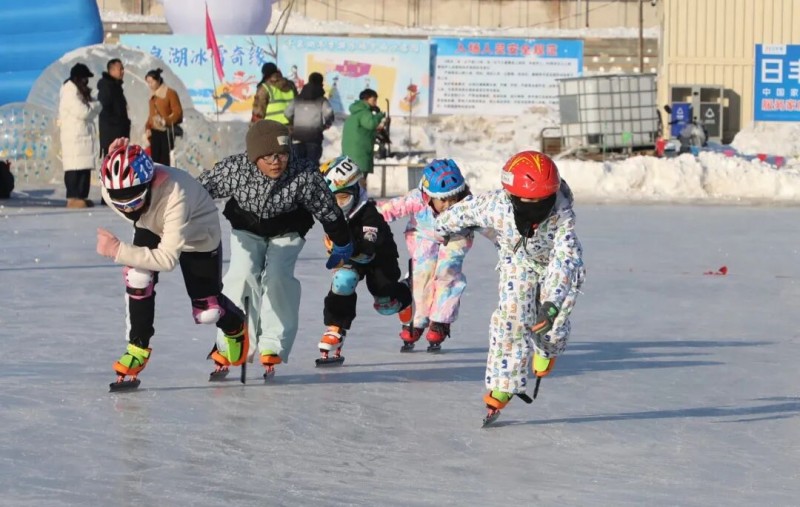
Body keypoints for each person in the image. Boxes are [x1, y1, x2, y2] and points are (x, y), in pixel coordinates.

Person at [434, 150, 586, 424]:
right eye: (526, 200)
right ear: (512, 196)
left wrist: (551, 305)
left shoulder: (562, 220)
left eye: (540, 201)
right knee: (510, 320)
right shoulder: (498, 205)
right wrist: (441, 227)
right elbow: (466, 210)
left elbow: (566, 261)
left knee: (551, 326)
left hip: (553, 266)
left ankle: (547, 349)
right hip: (518, 262)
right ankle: (504, 384)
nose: (532, 206)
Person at [197, 120, 352, 378]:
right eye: (267, 156)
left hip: (288, 230)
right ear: (254, 155)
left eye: (281, 154)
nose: (275, 162)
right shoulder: (235, 169)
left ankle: (273, 342)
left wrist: (342, 241)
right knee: (242, 274)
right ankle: (230, 340)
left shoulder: (303, 174)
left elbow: (327, 209)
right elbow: (198, 191)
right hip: (247, 227)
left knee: (278, 277)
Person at [95, 138, 249, 387]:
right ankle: (137, 346)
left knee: (207, 311)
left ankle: (235, 325)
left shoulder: (175, 193)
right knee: (137, 276)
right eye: (119, 203)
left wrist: (117, 250)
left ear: (149, 185)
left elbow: (167, 260)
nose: (128, 210)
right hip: (153, 225)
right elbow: (125, 192)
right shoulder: (111, 188)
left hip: (197, 234)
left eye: (133, 202)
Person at [317, 155, 412, 364]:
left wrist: (342, 248)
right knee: (343, 280)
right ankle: (335, 327)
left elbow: (368, 249)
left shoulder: (369, 215)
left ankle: (406, 293)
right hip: (352, 255)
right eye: (330, 199)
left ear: (354, 191)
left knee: (385, 303)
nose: (336, 205)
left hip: (380, 258)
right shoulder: (331, 214)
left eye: (342, 198)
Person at [376, 158, 477, 352]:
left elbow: (492, 220)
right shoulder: (417, 199)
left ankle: (440, 320)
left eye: (453, 198)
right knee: (422, 276)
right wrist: (368, 218)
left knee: (447, 272)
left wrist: (507, 241)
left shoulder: (468, 206)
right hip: (423, 235)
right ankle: (417, 320)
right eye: (444, 200)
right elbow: (391, 208)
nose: (449, 205)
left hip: (456, 237)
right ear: (429, 196)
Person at [58, 62, 100, 209]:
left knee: (84, 168)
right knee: (74, 168)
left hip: (83, 136)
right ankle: (73, 197)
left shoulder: (79, 91)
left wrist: (93, 107)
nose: (86, 81)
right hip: (74, 137)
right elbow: (84, 112)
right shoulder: (69, 92)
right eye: (84, 78)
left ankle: (82, 196)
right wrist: (94, 107)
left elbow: (94, 106)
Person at [284, 72, 334, 166]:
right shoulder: (321, 100)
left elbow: (287, 113)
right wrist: (326, 125)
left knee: (297, 165)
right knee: (312, 166)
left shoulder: (297, 99)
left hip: (297, 136)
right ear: (321, 83)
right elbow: (329, 114)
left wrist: (294, 121)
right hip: (314, 137)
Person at [341, 88, 386, 188]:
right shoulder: (364, 113)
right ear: (366, 99)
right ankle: (360, 202)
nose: (375, 103)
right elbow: (371, 124)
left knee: (351, 183)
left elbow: (365, 130)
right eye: (373, 100)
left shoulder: (355, 114)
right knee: (360, 183)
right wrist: (379, 116)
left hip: (350, 154)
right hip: (360, 154)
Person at [144, 68, 183, 166]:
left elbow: (178, 113)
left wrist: (165, 121)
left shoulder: (170, 93)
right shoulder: (153, 96)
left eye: (151, 82)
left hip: (166, 132)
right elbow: (151, 115)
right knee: (155, 161)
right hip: (155, 132)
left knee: (165, 161)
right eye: (148, 82)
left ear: (158, 80)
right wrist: (148, 127)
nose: (150, 85)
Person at [97, 59, 131, 157]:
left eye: (123, 69)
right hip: (112, 138)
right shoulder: (106, 87)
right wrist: (120, 122)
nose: (123, 71)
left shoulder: (116, 87)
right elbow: (104, 111)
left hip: (120, 137)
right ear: (111, 71)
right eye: (120, 69)